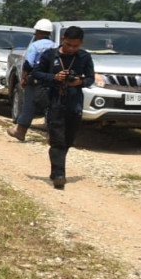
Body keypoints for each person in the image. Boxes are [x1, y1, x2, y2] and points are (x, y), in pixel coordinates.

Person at [29, 26, 95, 189]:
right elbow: (36, 73)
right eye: (68, 44)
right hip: (54, 101)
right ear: (63, 39)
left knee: (68, 139)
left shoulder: (84, 57)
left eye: (75, 46)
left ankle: (56, 169)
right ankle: (59, 174)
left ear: (81, 43)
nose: (71, 48)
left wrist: (80, 81)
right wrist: (54, 77)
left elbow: (91, 78)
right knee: (57, 140)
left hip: (74, 102)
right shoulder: (50, 55)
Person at [7, 19, 56, 141]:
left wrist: (23, 78)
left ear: (38, 32)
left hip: (36, 80)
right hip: (52, 80)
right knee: (51, 107)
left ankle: (20, 131)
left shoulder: (34, 46)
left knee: (29, 105)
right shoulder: (55, 46)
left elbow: (28, 64)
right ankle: (52, 135)